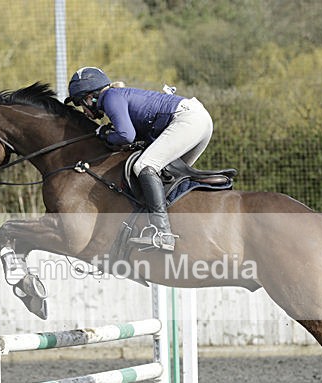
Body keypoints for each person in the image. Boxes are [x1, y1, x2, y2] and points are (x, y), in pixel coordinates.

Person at [64, 66, 214, 252]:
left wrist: (104, 134)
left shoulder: (110, 97)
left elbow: (126, 135)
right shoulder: (115, 96)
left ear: (90, 98)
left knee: (144, 166)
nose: (84, 111)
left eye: (80, 104)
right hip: (199, 120)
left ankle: (163, 233)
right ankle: (179, 227)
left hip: (188, 120)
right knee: (167, 177)